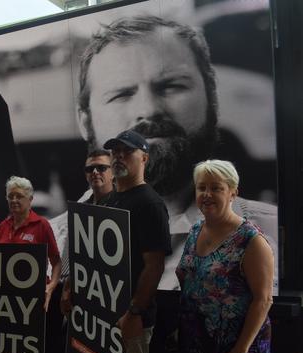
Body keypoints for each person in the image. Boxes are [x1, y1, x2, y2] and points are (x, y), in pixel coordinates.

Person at [51, 15, 277, 292]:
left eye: (171, 86)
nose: (148, 108)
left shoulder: (275, 236)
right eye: (121, 94)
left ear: (213, 100)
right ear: (85, 122)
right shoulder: (51, 244)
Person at [176, 160, 273, 353]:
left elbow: (263, 300)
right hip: (196, 345)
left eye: (216, 188)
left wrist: (241, 352)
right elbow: (185, 275)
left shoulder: (251, 240)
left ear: (233, 193)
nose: (207, 194)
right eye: (202, 187)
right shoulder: (195, 230)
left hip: (234, 352)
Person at [106, 130, 171, 353]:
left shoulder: (150, 203)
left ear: (144, 158)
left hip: (133, 317)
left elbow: (154, 266)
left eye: (127, 151)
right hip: (106, 313)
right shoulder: (111, 198)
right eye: (115, 152)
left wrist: (134, 313)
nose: (118, 157)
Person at [0, 176, 61, 353]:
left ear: (29, 199)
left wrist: (52, 286)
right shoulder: (3, 226)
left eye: (19, 196)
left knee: (33, 349)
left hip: (34, 299)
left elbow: (56, 262)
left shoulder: (42, 225)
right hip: (8, 300)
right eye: (10, 196)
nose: (14, 200)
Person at [59, 149, 114, 313]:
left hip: (110, 291)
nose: (95, 172)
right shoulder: (81, 208)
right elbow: (70, 249)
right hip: (80, 290)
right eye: (90, 169)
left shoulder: (123, 206)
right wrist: (66, 288)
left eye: (101, 167)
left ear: (113, 172)